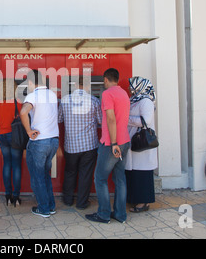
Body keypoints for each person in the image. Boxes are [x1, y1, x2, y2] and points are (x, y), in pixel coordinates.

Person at [86, 68, 130, 224]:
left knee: (100, 178)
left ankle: (104, 214)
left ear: (105, 79)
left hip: (112, 143)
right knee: (120, 178)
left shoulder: (107, 94)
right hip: (125, 141)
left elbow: (111, 119)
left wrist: (113, 143)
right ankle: (120, 214)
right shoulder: (123, 93)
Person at [20, 69, 59, 218]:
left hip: (39, 142)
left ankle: (43, 209)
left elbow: (23, 112)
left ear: (30, 82)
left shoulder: (32, 95)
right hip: (53, 140)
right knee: (45, 175)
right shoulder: (52, 94)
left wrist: (29, 131)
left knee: (38, 176)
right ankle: (51, 206)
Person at [58, 76, 101, 209]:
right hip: (89, 145)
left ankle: (68, 200)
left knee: (70, 172)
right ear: (88, 86)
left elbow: (59, 119)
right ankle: (82, 203)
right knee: (85, 174)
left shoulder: (64, 100)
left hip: (70, 145)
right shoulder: (94, 100)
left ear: (75, 85)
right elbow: (100, 121)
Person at [125, 76, 158, 213]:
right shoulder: (135, 100)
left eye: (131, 86)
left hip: (142, 142)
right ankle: (134, 199)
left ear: (139, 87)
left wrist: (126, 119)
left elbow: (146, 121)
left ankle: (143, 203)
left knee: (142, 174)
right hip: (133, 140)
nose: (129, 88)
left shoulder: (146, 101)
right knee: (134, 173)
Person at [0, 79, 23, 207]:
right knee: (16, 165)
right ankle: (15, 197)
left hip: (1, 136)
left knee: (7, 164)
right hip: (15, 136)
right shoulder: (18, 103)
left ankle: (7, 195)